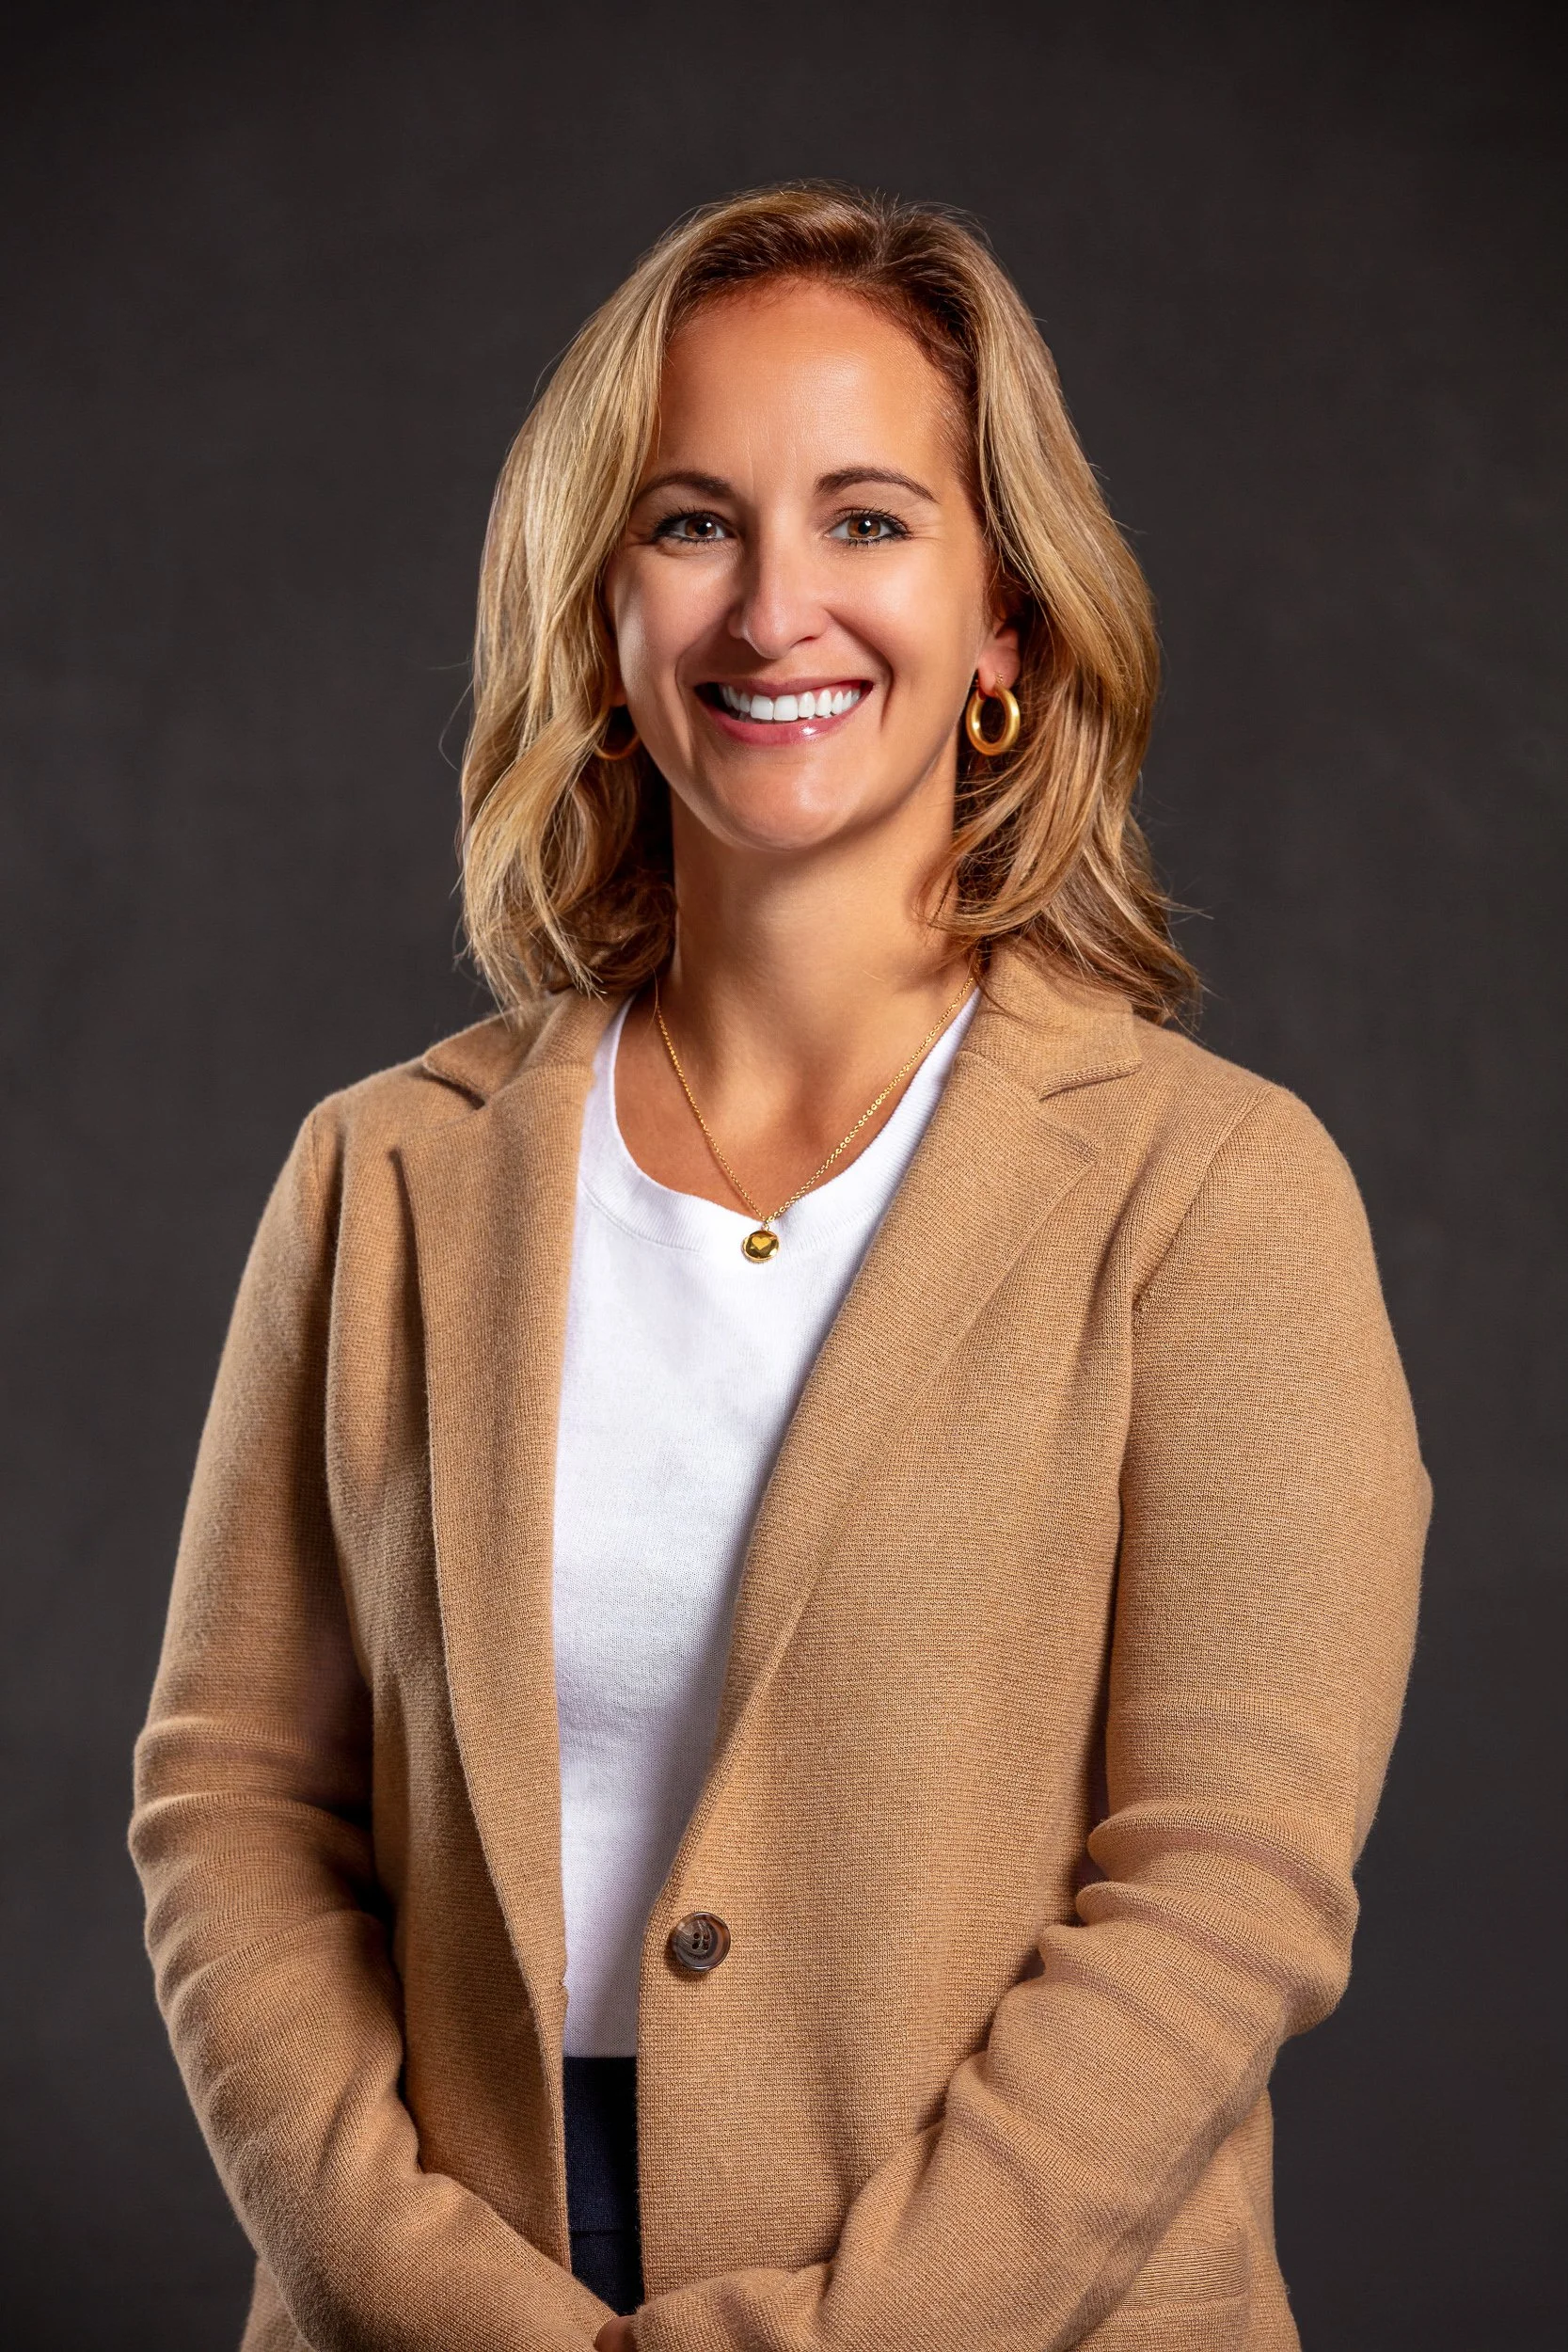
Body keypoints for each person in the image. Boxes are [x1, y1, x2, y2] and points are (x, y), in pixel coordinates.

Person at [131, 183, 1429, 2352]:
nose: (773, 608)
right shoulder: (375, 1178)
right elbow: (231, 1804)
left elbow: (1222, 1886)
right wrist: (436, 2298)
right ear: (601, 618)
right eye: (689, 522)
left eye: (865, 520)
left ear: (1004, 619)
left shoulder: (1215, 1196)